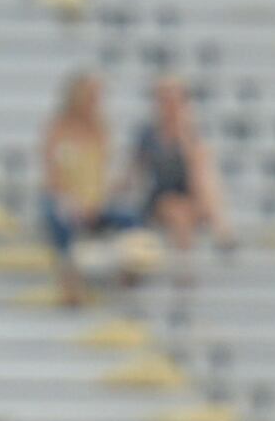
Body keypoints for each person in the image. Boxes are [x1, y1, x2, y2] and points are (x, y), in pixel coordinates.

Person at [39, 70, 123, 306]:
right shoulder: (58, 128)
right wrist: (74, 201)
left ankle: (128, 272)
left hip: (93, 199)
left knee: (128, 218)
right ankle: (70, 280)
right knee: (58, 218)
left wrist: (94, 202)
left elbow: (103, 174)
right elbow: (53, 175)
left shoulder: (101, 129)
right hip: (65, 197)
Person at [124, 76, 226, 247]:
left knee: (203, 178)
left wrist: (183, 134)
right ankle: (220, 230)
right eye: (165, 100)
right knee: (177, 210)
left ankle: (219, 226)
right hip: (161, 197)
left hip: (192, 194)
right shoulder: (148, 134)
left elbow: (198, 171)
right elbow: (134, 171)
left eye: (175, 100)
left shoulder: (191, 133)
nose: (170, 105)